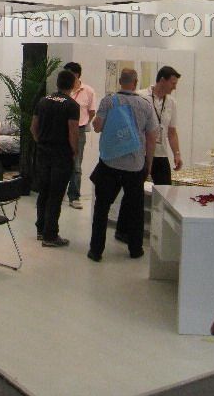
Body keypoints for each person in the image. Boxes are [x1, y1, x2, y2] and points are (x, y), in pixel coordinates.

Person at [88, 68, 157, 262]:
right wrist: (149, 163)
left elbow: (97, 127)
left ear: (120, 81)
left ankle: (96, 250)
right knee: (135, 209)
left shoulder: (108, 101)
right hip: (134, 165)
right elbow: (151, 137)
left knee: (102, 207)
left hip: (109, 162)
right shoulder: (146, 105)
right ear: (135, 82)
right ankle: (135, 249)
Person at [115, 65, 182, 243]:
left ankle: (162, 231)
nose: (174, 87)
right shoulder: (140, 96)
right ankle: (122, 229)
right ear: (162, 80)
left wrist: (176, 153)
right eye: (173, 83)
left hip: (160, 154)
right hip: (140, 152)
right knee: (133, 191)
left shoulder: (171, 103)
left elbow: (172, 132)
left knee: (165, 191)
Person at [30, 69, 79, 248]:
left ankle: (41, 229)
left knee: (44, 192)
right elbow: (73, 131)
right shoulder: (72, 105)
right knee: (56, 195)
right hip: (61, 155)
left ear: (57, 83)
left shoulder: (43, 101)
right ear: (73, 84)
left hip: (43, 153)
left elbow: (33, 128)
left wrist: (41, 142)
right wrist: (74, 151)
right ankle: (50, 235)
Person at [64, 62, 96, 209]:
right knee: (61, 162)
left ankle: (74, 196)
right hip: (62, 129)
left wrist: (83, 123)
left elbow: (92, 112)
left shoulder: (88, 91)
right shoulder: (64, 90)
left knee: (76, 165)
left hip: (79, 130)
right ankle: (58, 193)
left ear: (76, 74)